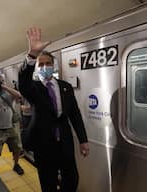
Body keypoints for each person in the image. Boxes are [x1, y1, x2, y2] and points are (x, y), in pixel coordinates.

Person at [18, 27, 90, 192]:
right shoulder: (34, 88)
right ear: (36, 68)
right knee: (48, 184)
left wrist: (83, 140)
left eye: (48, 63)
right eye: (41, 64)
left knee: (72, 179)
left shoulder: (66, 87)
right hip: (43, 144)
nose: (45, 67)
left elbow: (75, 114)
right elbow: (23, 84)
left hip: (65, 142)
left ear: (54, 65)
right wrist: (32, 55)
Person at [0, 75, 25, 181]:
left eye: (1, 81)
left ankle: (16, 164)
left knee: (17, 148)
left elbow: (18, 95)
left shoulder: (7, 93)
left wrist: (4, 87)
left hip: (10, 127)